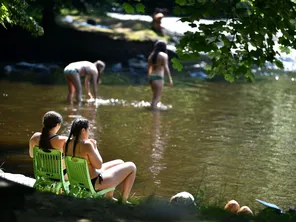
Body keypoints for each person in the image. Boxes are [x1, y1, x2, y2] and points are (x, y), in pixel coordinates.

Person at [64, 118, 137, 202]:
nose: (89, 132)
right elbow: (99, 166)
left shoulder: (66, 144)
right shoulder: (87, 145)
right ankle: (123, 201)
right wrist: (95, 147)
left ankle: (108, 197)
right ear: (83, 130)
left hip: (78, 180)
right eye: (88, 130)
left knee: (120, 162)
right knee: (132, 166)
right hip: (94, 182)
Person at [29, 111, 68, 177]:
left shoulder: (34, 137)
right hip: (60, 175)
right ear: (58, 125)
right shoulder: (63, 140)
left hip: (41, 173)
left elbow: (32, 155)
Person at [148, 40, 173, 110]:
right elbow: (166, 67)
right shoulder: (164, 55)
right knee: (157, 97)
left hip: (151, 77)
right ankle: (155, 116)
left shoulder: (151, 56)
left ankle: (152, 109)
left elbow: (149, 68)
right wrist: (170, 79)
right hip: (158, 78)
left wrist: (149, 79)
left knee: (154, 97)